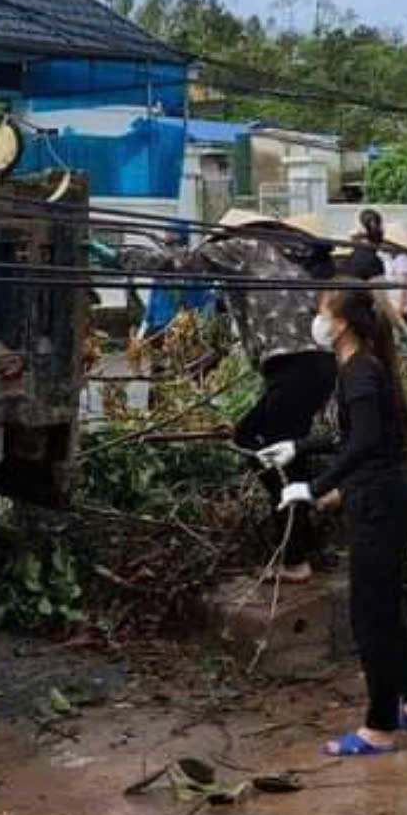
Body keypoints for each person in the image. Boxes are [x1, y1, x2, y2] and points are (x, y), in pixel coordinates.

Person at [121, 211, 335, 582]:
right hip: (315, 366)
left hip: (294, 366)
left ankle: (299, 548)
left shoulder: (244, 247)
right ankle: (306, 537)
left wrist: (120, 258)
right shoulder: (290, 255)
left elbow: (179, 264)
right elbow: (232, 328)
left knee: (254, 441)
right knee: (280, 451)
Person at [280, 283, 407, 756]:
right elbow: (354, 435)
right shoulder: (362, 369)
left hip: (380, 504)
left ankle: (379, 727)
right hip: (381, 498)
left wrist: (313, 487)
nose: (317, 320)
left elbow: (365, 442)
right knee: (383, 610)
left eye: (320, 312)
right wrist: (300, 448)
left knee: (370, 616)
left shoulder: (359, 373)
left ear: (342, 323)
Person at [337, 209, 387, 282]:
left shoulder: (358, 235)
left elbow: (351, 237)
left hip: (359, 263)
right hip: (374, 264)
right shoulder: (379, 233)